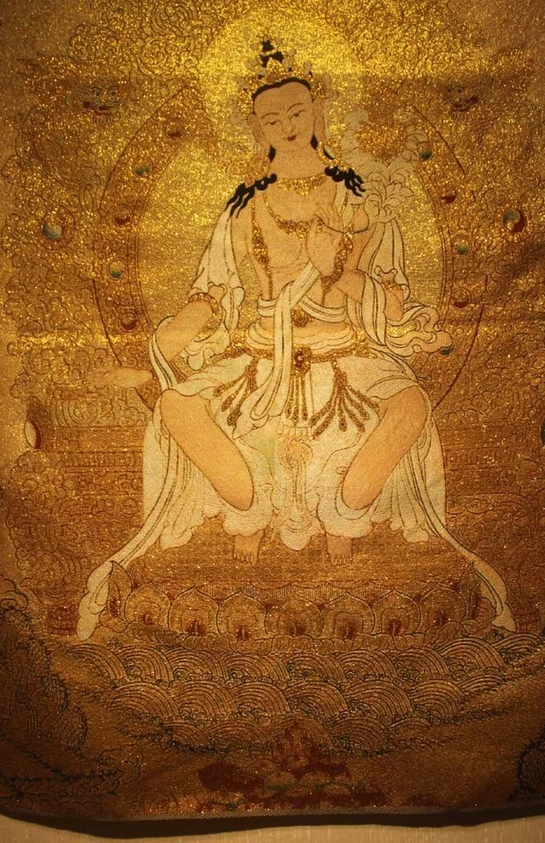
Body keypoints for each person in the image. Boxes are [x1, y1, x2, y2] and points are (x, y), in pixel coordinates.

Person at [76, 43, 515, 640]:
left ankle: (346, 512)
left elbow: (388, 297)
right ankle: (248, 507)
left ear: (317, 114)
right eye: (271, 118)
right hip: (259, 356)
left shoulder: (358, 200)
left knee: (411, 405)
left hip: (344, 352)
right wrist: (161, 352)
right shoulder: (245, 205)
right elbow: (211, 295)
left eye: (296, 111)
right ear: (256, 129)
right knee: (175, 405)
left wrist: (338, 271)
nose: (286, 125)